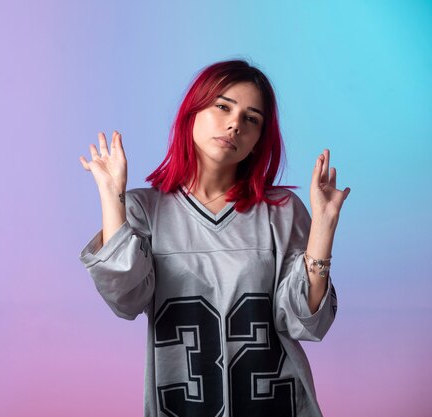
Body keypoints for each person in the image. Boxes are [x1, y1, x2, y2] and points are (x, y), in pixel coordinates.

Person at [78, 60, 350, 417]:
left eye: (251, 119)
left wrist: (324, 226)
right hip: (181, 405)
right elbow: (126, 298)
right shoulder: (145, 209)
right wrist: (113, 196)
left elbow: (305, 323)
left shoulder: (281, 210)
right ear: (192, 112)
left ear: (257, 141)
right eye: (222, 106)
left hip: (276, 405)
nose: (235, 123)